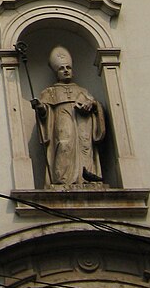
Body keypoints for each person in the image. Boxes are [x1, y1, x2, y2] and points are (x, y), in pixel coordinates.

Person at [31, 46, 106, 188]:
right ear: (56, 72)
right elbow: (45, 114)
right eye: (61, 68)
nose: (66, 70)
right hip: (62, 122)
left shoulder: (82, 91)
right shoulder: (50, 92)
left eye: (68, 68)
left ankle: (86, 179)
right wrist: (40, 107)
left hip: (83, 125)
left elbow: (96, 105)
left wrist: (92, 104)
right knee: (64, 145)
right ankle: (63, 180)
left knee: (85, 148)